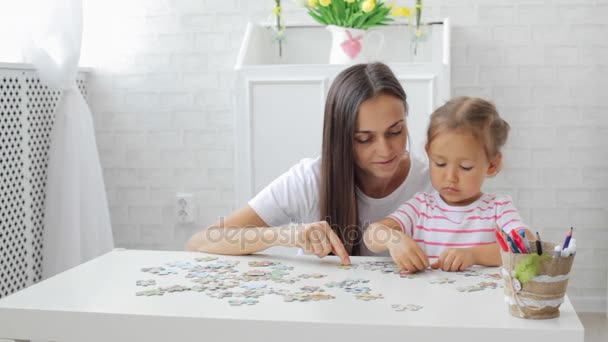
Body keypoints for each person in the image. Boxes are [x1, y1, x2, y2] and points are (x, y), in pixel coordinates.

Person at [186, 62, 432, 264]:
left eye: (395, 131)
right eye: (364, 139)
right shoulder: (309, 180)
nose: (386, 150)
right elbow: (201, 242)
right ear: (341, 138)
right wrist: (287, 235)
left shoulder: (432, 181)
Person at [364, 96, 531, 272]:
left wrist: (474, 255)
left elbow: (526, 246)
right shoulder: (421, 207)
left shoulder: (498, 208)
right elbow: (371, 235)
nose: (451, 177)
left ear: (492, 164)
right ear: (429, 154)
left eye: (465, 167)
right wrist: (393, 239)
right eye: (440, 164)